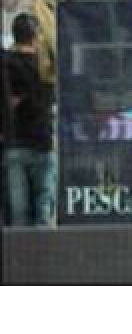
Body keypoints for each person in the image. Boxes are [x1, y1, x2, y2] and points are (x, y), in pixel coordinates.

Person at [1, 13, 56, 227]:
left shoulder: (6, 64)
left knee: (18, 213)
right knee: (43, 209)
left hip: (15, 141)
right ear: (35, 37)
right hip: (43, 140)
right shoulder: (46, 67)